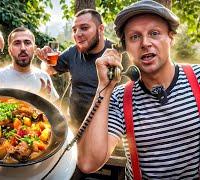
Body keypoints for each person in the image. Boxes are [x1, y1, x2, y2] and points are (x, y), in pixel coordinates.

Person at [77, 0, 200, 179]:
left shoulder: (198, 77)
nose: (145, 43)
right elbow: (88, 162)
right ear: (124, 48)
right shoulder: (120, 97)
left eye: (154, 33)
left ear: (171, 37)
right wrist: (104, 87)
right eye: (134, 37)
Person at [36, 9, 112, 130]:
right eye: (74, 30)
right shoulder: (73, 52)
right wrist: (46, 60)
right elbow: (49, 70)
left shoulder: (116, 54)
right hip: (75, 128)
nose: (77, 34)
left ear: (101, 29)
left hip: (107, 130)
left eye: (84, 28)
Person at [0, 27, 59, 102]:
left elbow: (55, 111)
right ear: (9, 50)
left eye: (27, 43)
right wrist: (36, 101)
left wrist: (44, 101)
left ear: (34, 48)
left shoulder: (44, 77)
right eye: (17, 43)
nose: (23, 48)